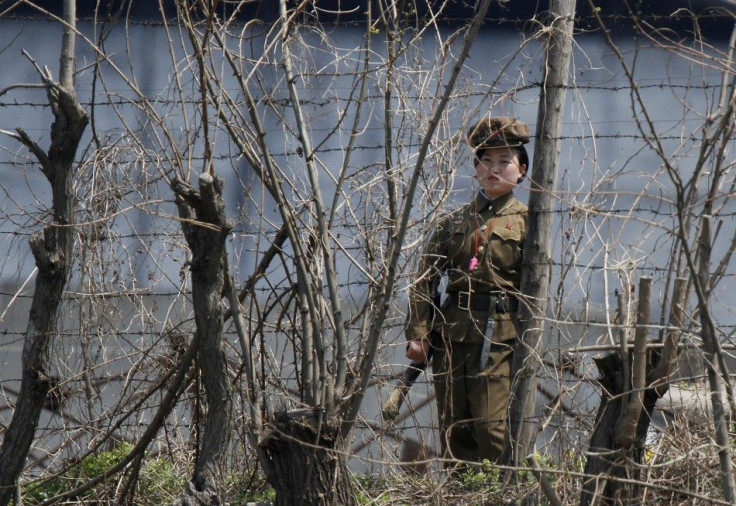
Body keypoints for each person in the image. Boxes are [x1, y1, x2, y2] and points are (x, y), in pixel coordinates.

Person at [405, 116, 529, 464]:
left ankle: (499, 494)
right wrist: (418, 334)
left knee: (492, 429)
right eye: (486, 160)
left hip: (500, 336)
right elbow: (424, 278)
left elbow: (536, 288)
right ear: (475, 168)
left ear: (521, 171)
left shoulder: (529, 221)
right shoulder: (454, 222)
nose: (494, 168)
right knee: (454, 427)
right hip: (451, 334)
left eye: (504, 161)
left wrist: (528, 337)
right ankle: (461, 494)